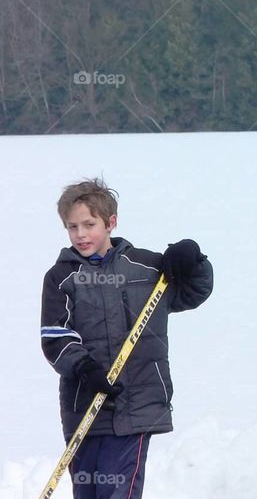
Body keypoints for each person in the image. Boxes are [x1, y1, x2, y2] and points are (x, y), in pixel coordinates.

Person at [40, 178, 213, 499]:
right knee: (89, 492)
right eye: (72, 227)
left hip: (136, 408)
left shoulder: (147, 268)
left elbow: (194, 290)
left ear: (111, 223)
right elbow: (55, 336)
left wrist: (193, 257)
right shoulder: (61, 277)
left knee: (119, 492)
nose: (81, 234)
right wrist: (86, 370)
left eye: (89, 224)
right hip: (84, 408)